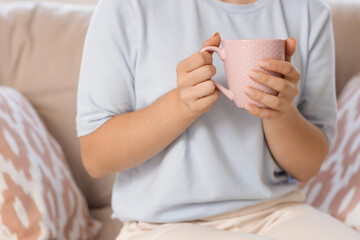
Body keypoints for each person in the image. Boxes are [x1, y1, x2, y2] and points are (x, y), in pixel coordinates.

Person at [76, 0, 360, 239]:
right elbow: (96, 157)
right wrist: (181, 105)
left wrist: (280, 113)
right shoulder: (128, 7)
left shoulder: (309, 9)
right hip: (161, 225)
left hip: (275, 215)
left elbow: (308, 166)